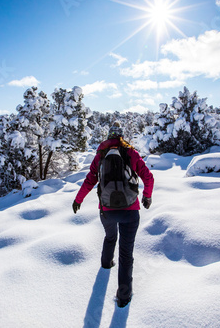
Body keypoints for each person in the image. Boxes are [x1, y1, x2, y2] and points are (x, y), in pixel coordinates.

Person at [72, 121, 154, 308]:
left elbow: (90, 180)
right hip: (130, 211)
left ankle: (106, 263)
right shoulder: (130, 153)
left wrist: (78, 200)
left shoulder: (100, 155)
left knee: (110, 237)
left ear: (109, 136)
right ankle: (124, 297)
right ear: (121, 136)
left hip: (107, 210)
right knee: (126, 254)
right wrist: (147, 197)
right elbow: (148, 177)